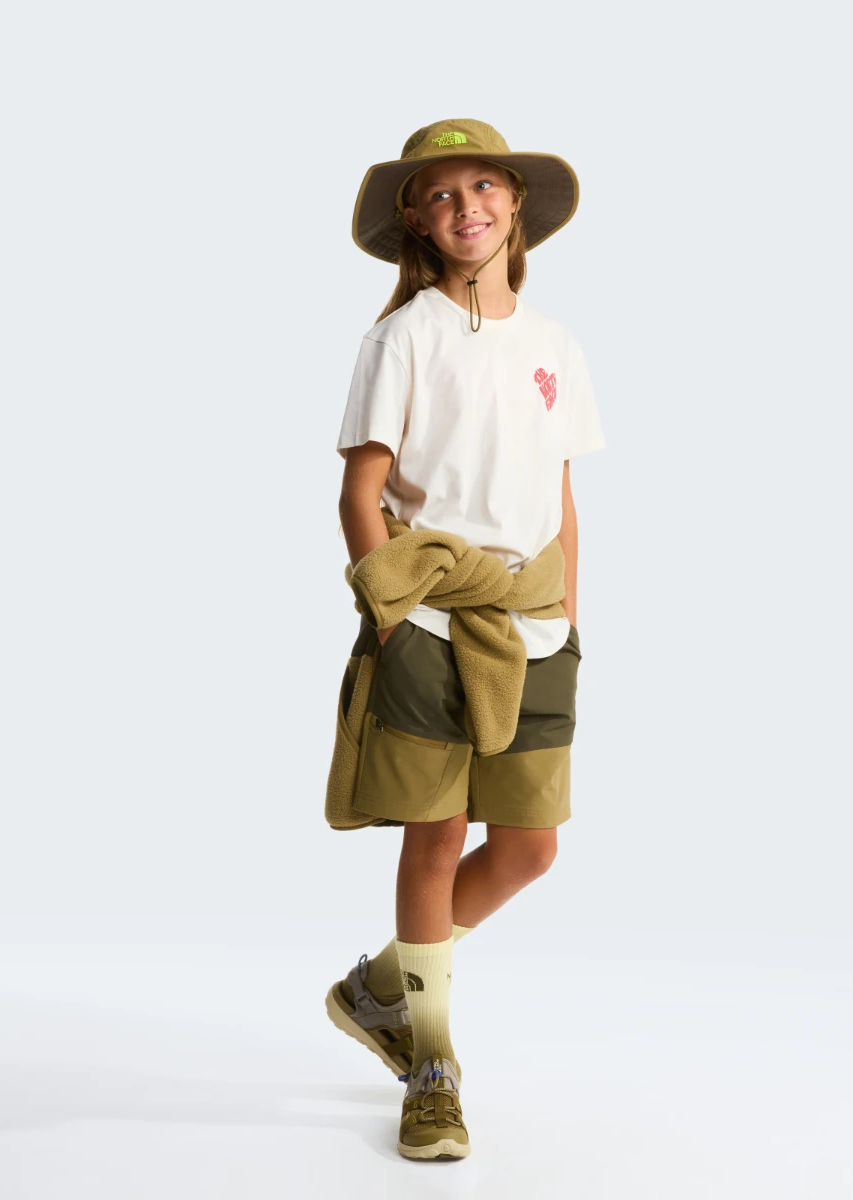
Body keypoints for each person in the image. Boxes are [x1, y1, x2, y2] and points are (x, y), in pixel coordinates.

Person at [324, 118, 606, 1161]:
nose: (467, 207)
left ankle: (379, 987)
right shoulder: (403, 338)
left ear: (515, 202)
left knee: (530, 845)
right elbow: (361, 492)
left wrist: (570, 615)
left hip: (534, 620)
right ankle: (432, 1064)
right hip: (433, 617)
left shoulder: (556, 347)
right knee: (436, 836)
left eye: (484, 185)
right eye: (441, 193)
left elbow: (560, 493)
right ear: (415, 218)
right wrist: (391, 613)